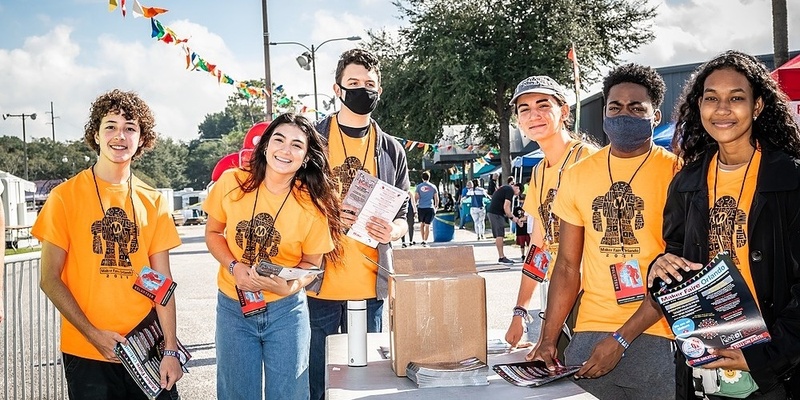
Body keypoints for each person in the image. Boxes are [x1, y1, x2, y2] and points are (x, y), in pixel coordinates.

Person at [645, 50, 800, 399]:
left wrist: (764, 357)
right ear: (699, 106)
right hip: (707, 366)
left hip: (778, 372)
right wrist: (659, 269)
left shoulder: (790, 178)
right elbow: (674, 262)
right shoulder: (686, 182)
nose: (723, 109)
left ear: (758, 106)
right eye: (712, 98)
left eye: (737, 98)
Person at [529, 64, 680, 399]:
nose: (624, 114)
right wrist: (549, 339)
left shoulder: (677, 173)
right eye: (615, 107)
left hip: (660, 332)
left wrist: (622, 339)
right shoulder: (579, 175)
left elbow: (680, 270)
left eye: (636, 108)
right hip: (590, 333)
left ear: (655, 116)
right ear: (604, 114)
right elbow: (568, 266)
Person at [34, 89, 183, 399]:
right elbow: (49, 279)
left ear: (142, 139)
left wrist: (171, 349)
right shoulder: (64, 197)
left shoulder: (153, 201)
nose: (120, 135)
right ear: (96, 135)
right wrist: (93, 335)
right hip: (87, 350)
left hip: (145, 346)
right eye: (111, 126)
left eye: (130, 128)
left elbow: (161, 283)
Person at [204, 113, 341, 399]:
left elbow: (312, 265)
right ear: (265, 146)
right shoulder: (231, 182)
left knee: (289, 394)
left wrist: (290, 285)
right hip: (233, 307)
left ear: (305, 158)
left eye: (296, 145)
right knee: (236, 394)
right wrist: (234, 267)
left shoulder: (312, 205)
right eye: (278, 139)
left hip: (286, 312)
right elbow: (214, 233)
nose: (285, 150)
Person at [306, 48, 410, 400]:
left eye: (369, 84)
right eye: (353, 83)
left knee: (364, 383)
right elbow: (292, 204)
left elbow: (404, 217)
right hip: (318, 284)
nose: (362, 90)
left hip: (371, 285)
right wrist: (328, 215)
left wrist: (394, 230)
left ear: (379, 90)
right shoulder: (312, 141)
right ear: (337, 89)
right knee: (317, 380)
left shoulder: (393, 149)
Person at [503, 75, 596, 348]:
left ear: (564, 111)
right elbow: (539, 247)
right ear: (519, 121)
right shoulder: (539, 171)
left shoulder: (589, 159)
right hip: (559, 299)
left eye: (543, 105)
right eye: (525, 110)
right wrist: (520, 311)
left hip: (593, 302)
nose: (534, 115)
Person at [487, 181, 522, 264]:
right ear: (517, 188)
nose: (516, 196)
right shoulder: (509, 190)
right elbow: (506, 206)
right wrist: (512, 217)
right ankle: (501, 257)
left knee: (499, 235)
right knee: (500, 235)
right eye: (518, 194)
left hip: (494, 212)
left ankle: (501, 256)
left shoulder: (506, 188)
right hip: (496, 213)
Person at [415, 171, 439, 247]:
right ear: (429, 177)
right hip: (430, 207)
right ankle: (425, 241)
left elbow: (416, 197)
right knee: (428, 225)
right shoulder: (433, 186)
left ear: (422, 178)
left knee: (422, 224)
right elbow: (436, 198)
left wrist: (415, 206)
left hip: (421, 207)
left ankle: (422, 239)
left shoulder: (418, 187)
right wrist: (436, 206)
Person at [513, 196, 532, 262]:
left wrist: (522, 220)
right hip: (520, 229)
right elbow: (514, 217)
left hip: (527, 227)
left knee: (529, 242)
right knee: (522, 244)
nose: (522, 201)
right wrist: (518, 222)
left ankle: (528, 255)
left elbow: (526, 217)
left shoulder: (528, 208)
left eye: (523, 200)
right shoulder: (517, 209)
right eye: (520, 200)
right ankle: (523, 255)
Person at [401, 183, 417, 248]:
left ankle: (403, 242)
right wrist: (415, 211)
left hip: (402, 210)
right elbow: (413, 203)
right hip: (410, 210)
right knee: (411, 226)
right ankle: (411, 241)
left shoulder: (401, 192)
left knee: (402, 226)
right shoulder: (410, 193)